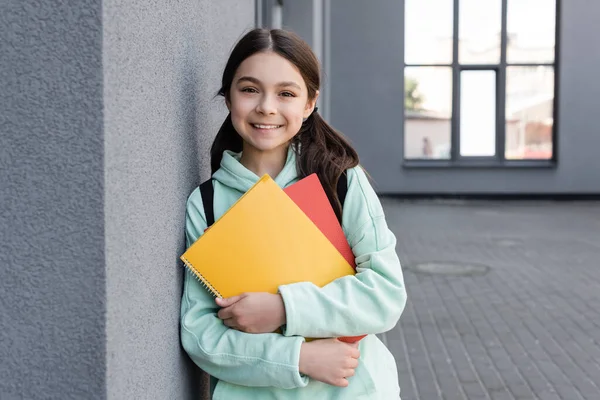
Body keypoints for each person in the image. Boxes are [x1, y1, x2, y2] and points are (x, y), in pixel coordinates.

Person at [181, 28, 407, 400]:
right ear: (228, 97)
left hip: (355, 389)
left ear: (309, 103)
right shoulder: (205, 204)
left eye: (286, 93)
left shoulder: (340, 181)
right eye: (249, 89)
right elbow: (200, 334)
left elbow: (385, 294)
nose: (267, 107)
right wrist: (298, 356)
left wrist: (283, 308)